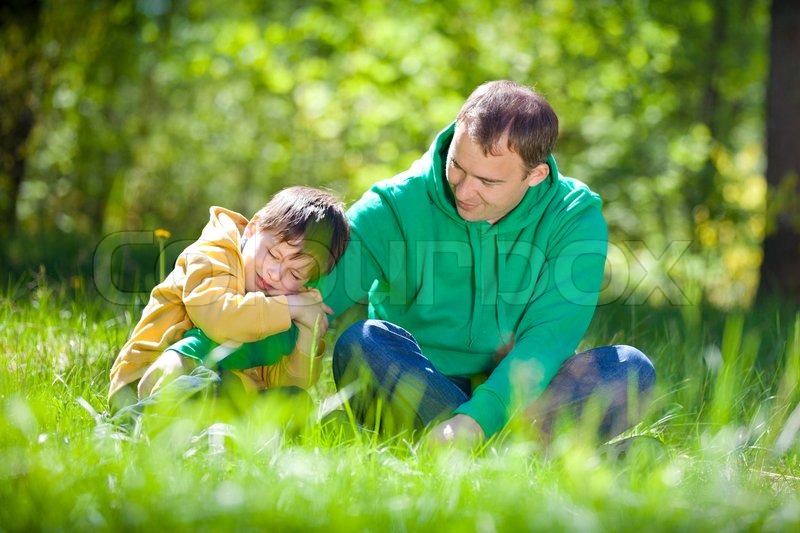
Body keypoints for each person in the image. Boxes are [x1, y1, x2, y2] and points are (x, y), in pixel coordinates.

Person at [321, 80, 656, 447]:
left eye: (487, 181)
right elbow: (315, 294)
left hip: (521, 394)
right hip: (420, 378)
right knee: (362, 342)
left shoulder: (573, 217)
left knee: (629, 369)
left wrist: (476, 421)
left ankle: (467, 447)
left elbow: (546, 341)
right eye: (457, 167)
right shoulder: (394, 205)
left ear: (535, 175)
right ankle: (519, 456)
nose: (463, 191)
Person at [108, 186, 350, 411]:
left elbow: (288, 380)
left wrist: (308, 329)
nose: (274, 273)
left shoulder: (284, 298)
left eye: (295, 273)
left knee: (296, 401)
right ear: (253, 228)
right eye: (273, 254)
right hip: (150, 379)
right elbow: (221, 320)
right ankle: (136, 422)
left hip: (227, 386)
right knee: (206, 385)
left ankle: (220, 436)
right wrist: (291, 307)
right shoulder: (212, 254)